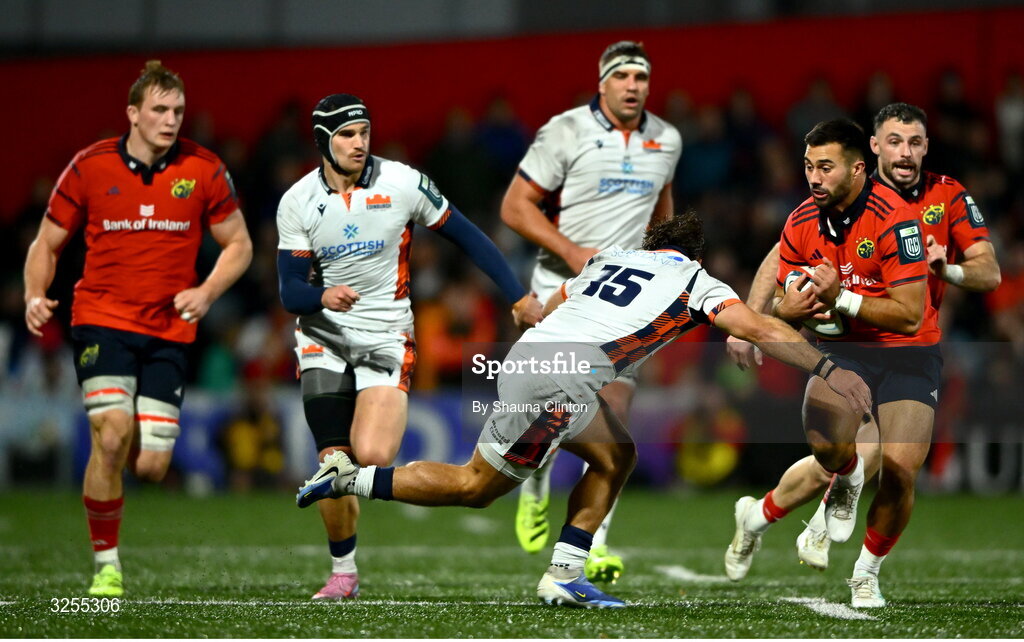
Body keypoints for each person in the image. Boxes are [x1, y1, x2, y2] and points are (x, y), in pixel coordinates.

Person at [294, 209, 871, 609]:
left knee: (617, 454)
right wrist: (828, 367)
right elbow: (757, 328)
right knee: (476, 486)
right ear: (694, 255)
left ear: (652, 245)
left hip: (531, 359)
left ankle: (565, 574)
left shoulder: (610, 260)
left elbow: (551, 305)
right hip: (561, 379)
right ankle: (352, 480)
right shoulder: (697, 281)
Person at [276, 93, 542, 600]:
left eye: (364, 132)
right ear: (323, 141)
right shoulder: (297, 201)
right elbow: (290, 291)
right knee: (333, 456)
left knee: (372, 455)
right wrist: (322, 295)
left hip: (386, 337)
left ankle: (339, 486)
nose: (359, 142)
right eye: (346, 135)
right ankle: (343, 574)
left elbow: (468, 236)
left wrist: (517, 296)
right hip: (323, 339)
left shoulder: (402, 182)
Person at [724, 105, 1000, 591]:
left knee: (896, 468)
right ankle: (765, 515)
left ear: (927, 147)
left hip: (909, 346)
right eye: (894, 141)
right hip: (849, 345)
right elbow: (780, 259)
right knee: (833, 456)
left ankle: (861, 569)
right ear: (873, 150)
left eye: (914, 142)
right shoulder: (812, 209)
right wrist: (761, 316)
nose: (905, 152)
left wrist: (946, 271)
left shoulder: (938, 199)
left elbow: (981, 276)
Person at [22, 60, 253, 597]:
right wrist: (35, 293)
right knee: (111, 436)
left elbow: (239, 244)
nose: (171, 120)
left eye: (178, 111)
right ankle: (107, 567)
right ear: (132, 113)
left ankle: (122, 449)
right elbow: (46, 243)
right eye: (159, 110)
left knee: (150, 465)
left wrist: (206, 292)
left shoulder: (204, 169)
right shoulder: (90, 167)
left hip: (169, 330)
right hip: (102, 321)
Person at [499, 39, 681, 581]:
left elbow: (662, 211)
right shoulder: (565, 130)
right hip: (561, 289)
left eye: (641, 77)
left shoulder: (666, 139)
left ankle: (593, 542)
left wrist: (668, 263)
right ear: (602, 83)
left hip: (625, 299)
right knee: (556, 413)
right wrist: (573, 251)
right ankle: (536, 479)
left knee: (613, 417)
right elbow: (514, 207)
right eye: (622, 76)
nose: (632, 85)